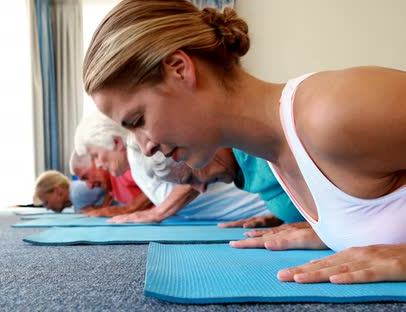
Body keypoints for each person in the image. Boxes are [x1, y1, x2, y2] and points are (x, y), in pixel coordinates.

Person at [83, 0, 406, 284]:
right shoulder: (275, 157)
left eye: (137, 120)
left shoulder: (331, 113)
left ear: (179, 70)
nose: (146, 147)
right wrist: (335, 235)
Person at [75, 110, 270, 223]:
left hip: (260, 200)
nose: (99, 163)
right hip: (255, 211)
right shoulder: (136, 163)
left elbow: (194, 171)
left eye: (96, 155)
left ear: (116, 142)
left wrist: (158, 213)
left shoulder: (142, 150)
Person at [143, 145, 305, 228]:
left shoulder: (261, 149)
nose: (200, 189)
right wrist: (281, 217)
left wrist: (312, 229)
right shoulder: (244, 174)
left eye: (192, 177)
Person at [69, 151, 153, 217]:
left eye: (86, 176)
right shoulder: (110, 182)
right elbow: (111, 193)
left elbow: (158, 183)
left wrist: (126, 209)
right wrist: (103, 209)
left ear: (96, 160)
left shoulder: (123, 170)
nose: (90, 186)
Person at [33, 170, 111, 213]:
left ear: (57, 190)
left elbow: (112, 183)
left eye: (46, 203)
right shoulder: (75, 197)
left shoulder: (78, 191)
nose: (47, 208)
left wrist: (104, 208)